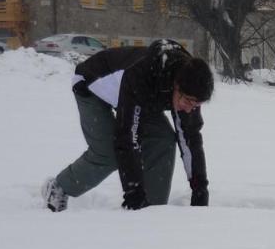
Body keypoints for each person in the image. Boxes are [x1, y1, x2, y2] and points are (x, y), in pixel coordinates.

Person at [42, 39, 213, 212]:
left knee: (163, 140)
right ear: (176, 85)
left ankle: (153, 210)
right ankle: (60, 187)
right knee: (108, 153)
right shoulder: (142, 75)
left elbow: (190, 140)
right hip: (92, 85)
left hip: (138, 99)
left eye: (196, 105)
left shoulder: (190, 84)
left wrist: (199, 189)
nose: (190, 108)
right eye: (188, 101)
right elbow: (128, 137)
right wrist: (133, 191)